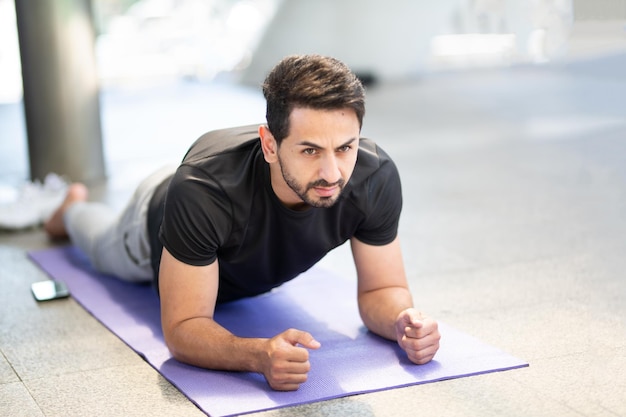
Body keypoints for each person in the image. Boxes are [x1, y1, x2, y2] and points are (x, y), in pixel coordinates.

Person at [45, 54, 440, 391]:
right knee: (97, 244)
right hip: (156, 220)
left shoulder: (374, 177)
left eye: (345, 147)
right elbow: (184, 327)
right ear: (269, 144)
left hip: (213, 195)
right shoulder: (203, 192)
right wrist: (257, 355)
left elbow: (383, 288)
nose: (333, 172)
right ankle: (72, 210)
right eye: (309, 150)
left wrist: (402, 322)